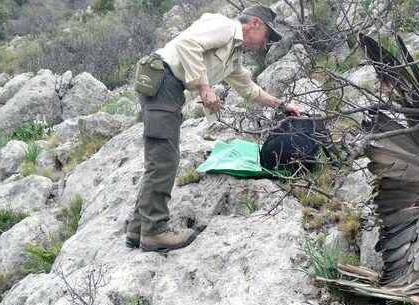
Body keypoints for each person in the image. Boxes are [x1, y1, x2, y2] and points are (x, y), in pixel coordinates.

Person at [126, 5, 300, 253]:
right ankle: (154, 232)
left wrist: (282, 105)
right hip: (163, 81)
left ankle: (137, 228)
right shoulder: (224, 27)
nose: (267, 42)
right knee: (163, 160)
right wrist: (204, 87)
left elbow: (249, 89)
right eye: (267, 36)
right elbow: (188, 44)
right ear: (254, 24)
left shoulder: (233, 55)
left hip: (168, 88)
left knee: (161, 158)